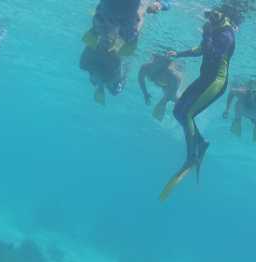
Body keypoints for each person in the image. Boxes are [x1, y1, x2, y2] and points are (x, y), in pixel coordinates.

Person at [159, 6, 238, 201]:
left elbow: (211, 53)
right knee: (178, 111)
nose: (210, 19)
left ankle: (191, 157)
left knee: (187, 115)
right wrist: (178, 54)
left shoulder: (227, 34)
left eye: (214, 16)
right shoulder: (217, 30)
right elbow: (201, 50)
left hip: (215, 83)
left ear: (223, 16)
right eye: (209, 16)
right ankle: (201, 143)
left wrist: (206, 33)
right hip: (204, 80)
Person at [84, 0, 170, 57]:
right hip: (111, 12)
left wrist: (160, 4)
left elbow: (166, 3)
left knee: (128, 39)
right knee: (99, 29)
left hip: (126, 14)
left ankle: (119, 56)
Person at [138, 53, 182, 121]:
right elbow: (140, 80)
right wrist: (145, 94)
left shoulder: (172, 75)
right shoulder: (145, 68)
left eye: (167, 62)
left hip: (170, 86)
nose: (164, 64)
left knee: (176, 99)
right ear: (155, 59)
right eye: (159, 60)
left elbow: (173, 90)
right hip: (164, 83)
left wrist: (164, 101)